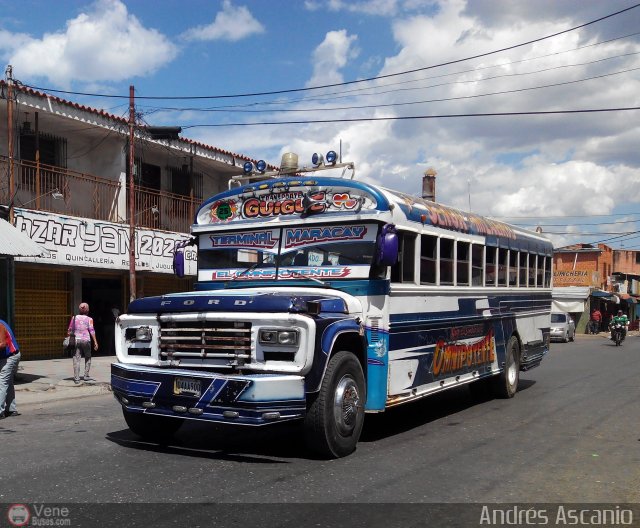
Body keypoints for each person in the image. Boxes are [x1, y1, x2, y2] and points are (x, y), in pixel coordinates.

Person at [67, 302, 99, 383]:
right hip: (86, 340)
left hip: (76, 340)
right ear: (87, 310)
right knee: (88, 356)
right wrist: (95, 342)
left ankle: (77, 378)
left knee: (76, 359)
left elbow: (69, 330)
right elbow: (92, 330)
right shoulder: (89, 319)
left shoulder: (74, 318)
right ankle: (86, 375)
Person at [0, 319, 21, 419]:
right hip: (5, 357)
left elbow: (2, 344)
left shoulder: (0, 325)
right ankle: (11, 409)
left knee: (2, 382)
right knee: (8, 382)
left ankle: (0, 411)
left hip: (11, 356)